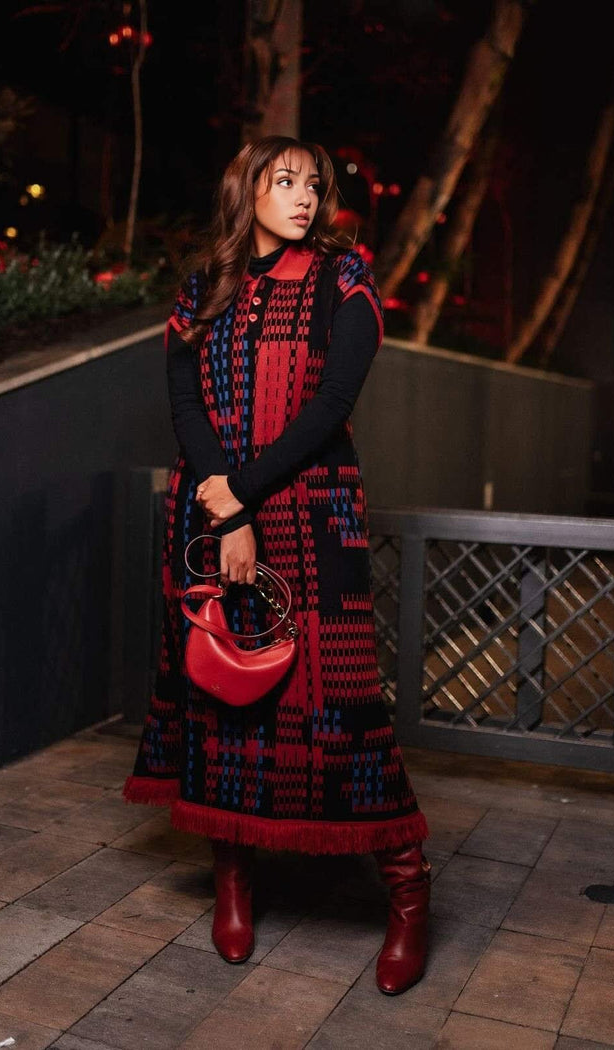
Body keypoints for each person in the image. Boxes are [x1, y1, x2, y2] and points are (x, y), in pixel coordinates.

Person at [123, 135, 430, 995]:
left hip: (311, 512)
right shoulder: (203, 288)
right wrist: (224, 505)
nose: (304, 197)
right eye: (284, 180)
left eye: (313, 185)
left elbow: (334, 404)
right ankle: (234, 881)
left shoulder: (346, 278)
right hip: (218, 508)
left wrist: (240, 497)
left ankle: (408, 895)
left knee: (342, 706)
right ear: (245, 189)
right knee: (226, 694)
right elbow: (184, 400)